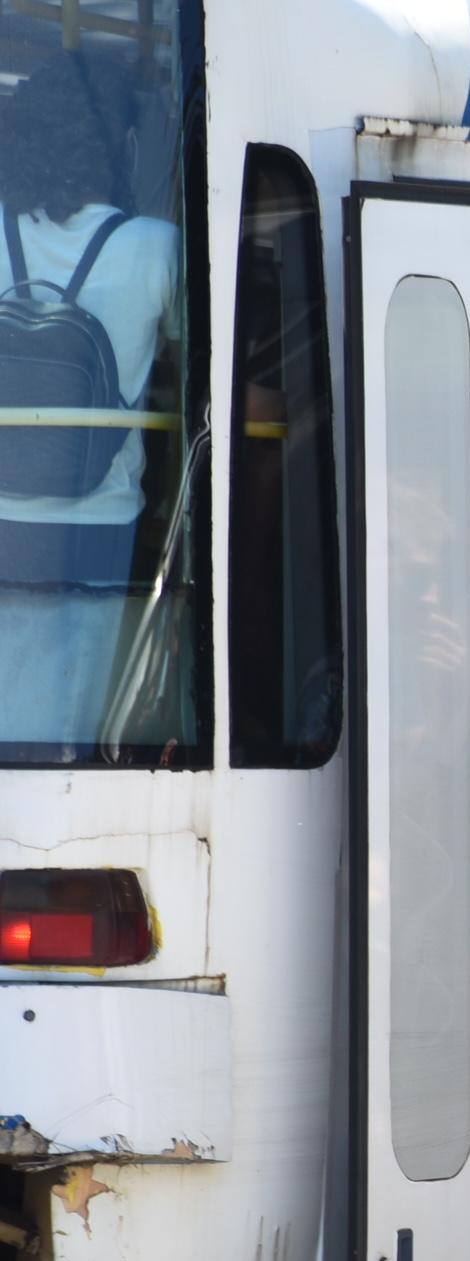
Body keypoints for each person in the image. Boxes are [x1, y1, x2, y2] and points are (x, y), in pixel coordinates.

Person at [0, 54, 181, 748]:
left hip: (2, 514)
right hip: (98, 518)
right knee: (74, 713)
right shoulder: (155, 247)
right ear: (124, 147)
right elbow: (194, 365)